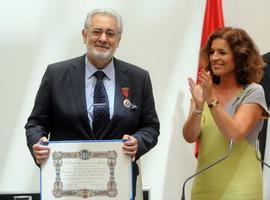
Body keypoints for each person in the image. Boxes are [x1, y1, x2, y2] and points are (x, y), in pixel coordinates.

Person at [25, 8, 160, 199]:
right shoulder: (56, 75)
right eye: (97, 31)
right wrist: (37, 144)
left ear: (118, 41)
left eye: (110, 33)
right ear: (84, 35)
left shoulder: (139, 78)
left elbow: (151, 127)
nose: (103, 38)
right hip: (66, 187)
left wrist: (139, 141)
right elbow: (36, 124)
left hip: (117, 187)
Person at [182, 27, 269, 200]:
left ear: (239, 57)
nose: (214, 57)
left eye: (222, 52)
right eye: (212, 52)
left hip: (242, 188)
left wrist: (211, 101)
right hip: (204, 185)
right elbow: (190, 136)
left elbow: (234, 134)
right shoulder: (203, 90)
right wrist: (199, 106)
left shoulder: (253, 91)